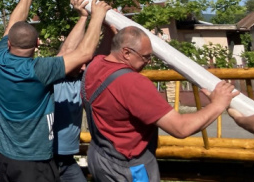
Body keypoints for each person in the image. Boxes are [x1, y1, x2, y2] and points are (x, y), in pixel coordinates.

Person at [0, 0, 111, 182]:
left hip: (2, 155)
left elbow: (13, 22)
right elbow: (84, 54)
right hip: (33, 162)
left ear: (9, 43)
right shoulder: (39, 70)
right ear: (37, 44)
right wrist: (97, 16)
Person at [82, 26, 238, 182]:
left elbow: (102, 51)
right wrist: (218, 104)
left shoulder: (94, 66)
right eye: (145, 57)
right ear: (126, 53)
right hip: (129, 168)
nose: (148, 62)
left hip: (99, 158)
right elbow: (181, 128)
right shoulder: (133, 83)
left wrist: (110, 30)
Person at [52, 0, 91, 182]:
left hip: (67, 160)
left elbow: (99, 55)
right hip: (47, 157)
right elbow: (66, 52)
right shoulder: (54, 79)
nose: (84, 66)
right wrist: (83, 17)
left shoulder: (82, 79)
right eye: (79, 62)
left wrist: (109, 28)